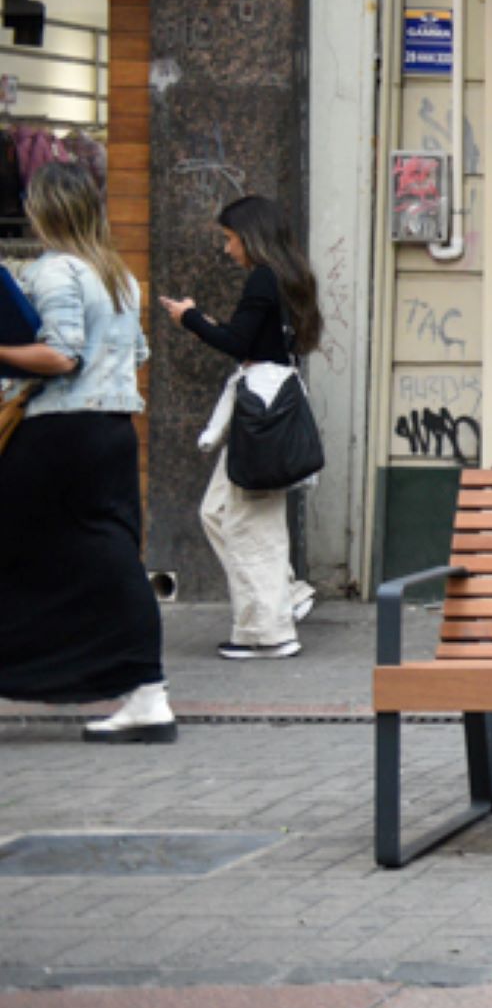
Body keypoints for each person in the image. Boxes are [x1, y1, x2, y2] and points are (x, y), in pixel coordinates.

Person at [0, 163, 171, 740]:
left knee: (35, 551)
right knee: (106, 551)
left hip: (59, 433)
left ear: (44, 211)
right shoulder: (117, 274)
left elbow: (62, 356)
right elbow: (139, 352)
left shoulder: (53, 271)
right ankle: (143, 691)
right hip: (112, 433)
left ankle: (136, 690)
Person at [159, 195, 320, 660]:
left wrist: (188, 317)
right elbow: (257, 340)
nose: (227, 249)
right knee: (218, 512)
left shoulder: (264, 279)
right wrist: (211, 324)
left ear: (250, 236)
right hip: (272, 404)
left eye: (229, 239)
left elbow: (236, 342)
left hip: (261, 413)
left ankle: (269, 631)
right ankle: (283, 595)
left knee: (253, 525)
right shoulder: (289, 275)